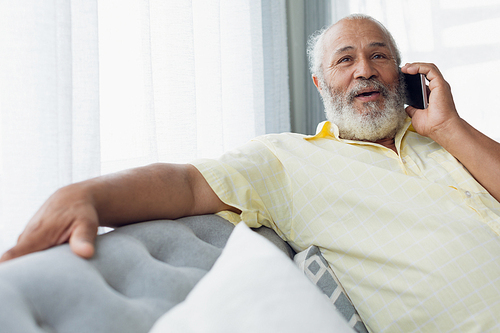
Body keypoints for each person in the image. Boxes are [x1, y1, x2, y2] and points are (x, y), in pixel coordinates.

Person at [2, 13, 500, 332]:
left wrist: (451, 127)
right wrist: (86, 194)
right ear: (320, 83)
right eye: (345, 60)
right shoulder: (287, 160)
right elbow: (187, 183)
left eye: (379, 56)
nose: (364, 70)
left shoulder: (442, 138)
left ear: (402, 72)